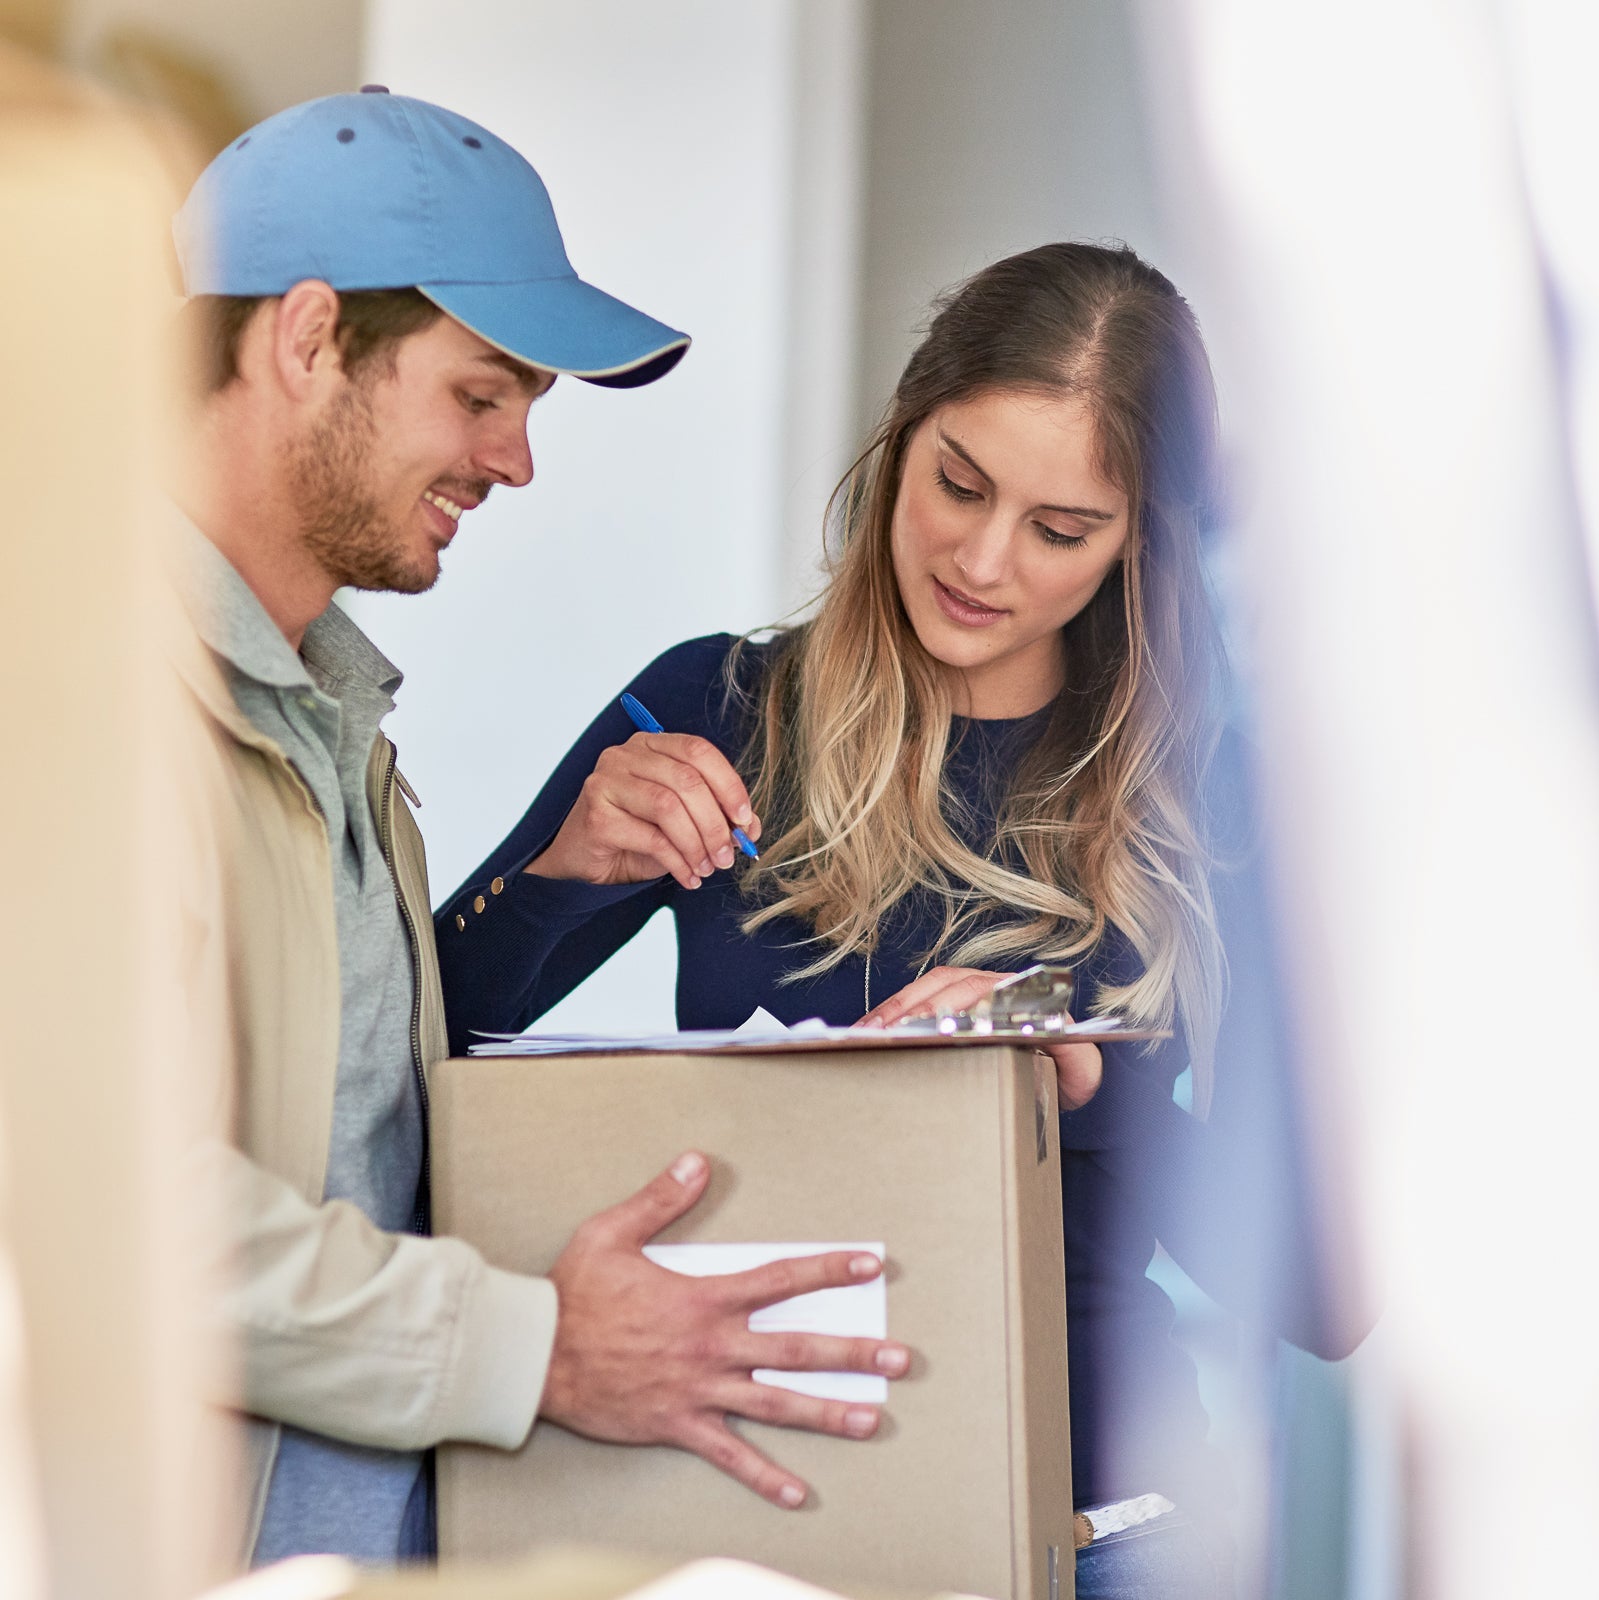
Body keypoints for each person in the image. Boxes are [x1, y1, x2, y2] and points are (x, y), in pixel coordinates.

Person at [437, 243, 1369, 1596]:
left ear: (1138, 546)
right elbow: (405, 1064)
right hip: (769, 1520)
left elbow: (1335, 1309)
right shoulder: (715, 710)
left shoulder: (1220, 809)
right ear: (900, 437)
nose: (985, 560)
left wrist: (1070, 1082)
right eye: (960, 483)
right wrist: (560, 875)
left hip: (1105, 1534)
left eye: (1061, 530)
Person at [167, 88, 910, 1571]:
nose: (514, 464)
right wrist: (544, 1347)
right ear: (308, 339)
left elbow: (364, 1151)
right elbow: (115, 1217)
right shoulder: (78, 709)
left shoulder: (332, 734)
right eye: (481, 393)